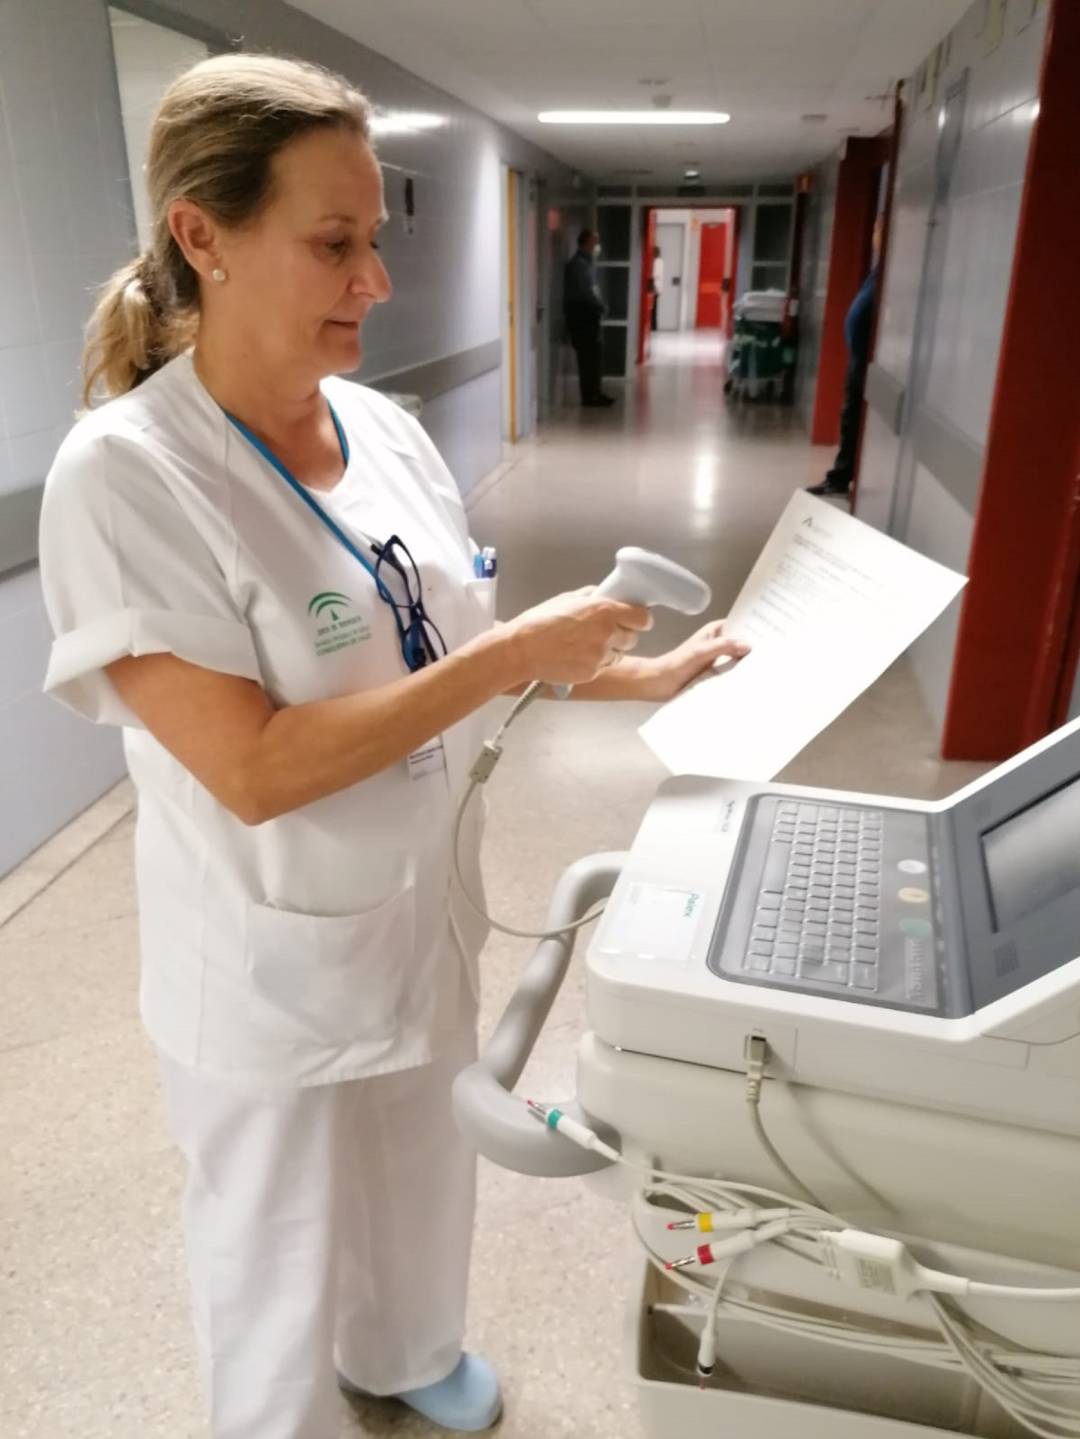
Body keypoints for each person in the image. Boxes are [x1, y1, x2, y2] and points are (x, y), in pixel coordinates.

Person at [38, 54, 749, 1439]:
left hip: (420, 899)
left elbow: (454, 641)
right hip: (265, 946)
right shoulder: (127, 475)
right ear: (203, 233)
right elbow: (250, 766)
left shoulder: (381, 427)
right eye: (333, 242)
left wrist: (634, 671)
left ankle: (409, 1342)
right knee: (273, 1230)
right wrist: (509, 655)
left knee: (423, 1156)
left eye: (375, 238)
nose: (374, 279)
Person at [807, 216, 883, 498]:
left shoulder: (890, 274)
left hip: (869, 364)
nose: (875, 234)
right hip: (860, 362)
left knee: (855, 421)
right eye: (875, 228)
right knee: (850, 420)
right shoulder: (878, 271)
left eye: (878, 228)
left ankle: (844, 476)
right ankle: (841, 476)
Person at [563, 228, 614, 407]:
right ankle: (590, 396)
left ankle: (595, 393)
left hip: (587, 315)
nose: (597, 246)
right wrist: (601, 307)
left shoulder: (586, 264)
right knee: (588, 358)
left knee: (593, 357)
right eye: (595, 242)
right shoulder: (579, 265)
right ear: (586, 243)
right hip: (582, 317)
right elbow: (587, 292)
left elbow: (592, 290)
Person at [650, 243, 664, 332]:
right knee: (654, 308)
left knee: (653, 308)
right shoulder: (660, 261)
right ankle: (653, 326)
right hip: (657, 287)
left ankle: (653, 326)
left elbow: (655, 275)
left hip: (655, 287)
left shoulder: (657, 262)